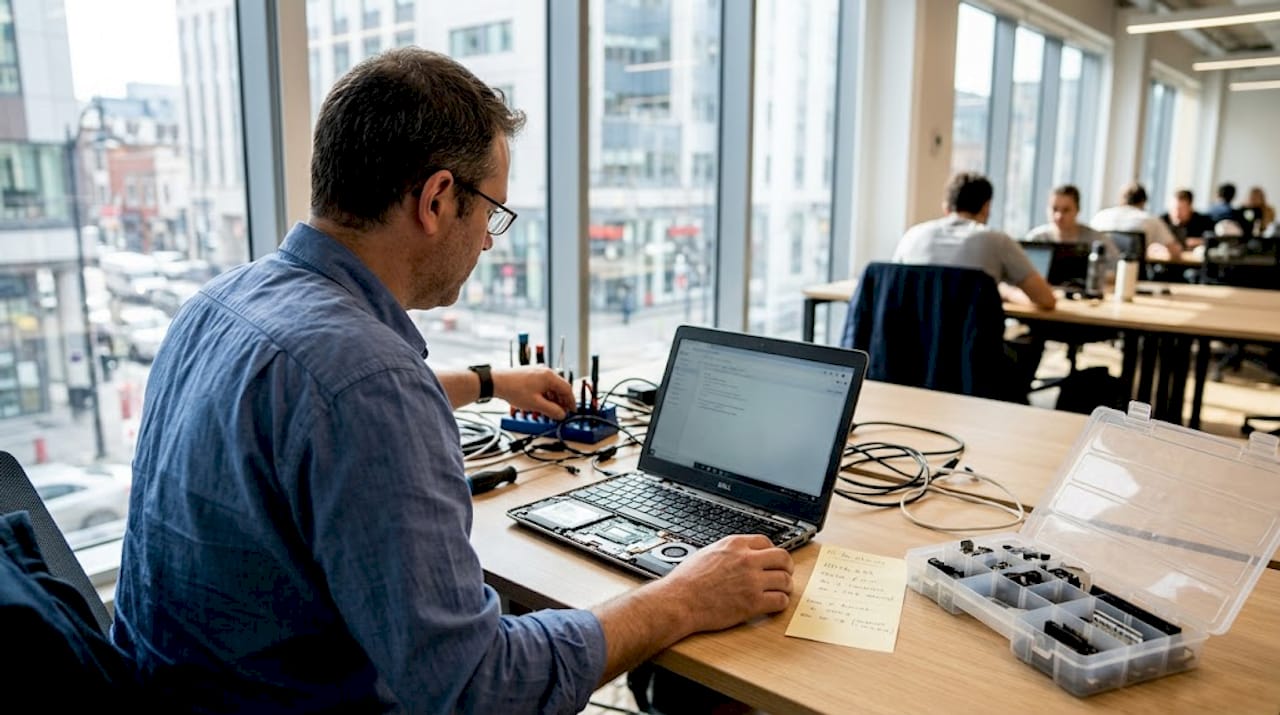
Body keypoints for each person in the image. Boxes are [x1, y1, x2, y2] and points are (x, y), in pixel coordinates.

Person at [112, 48, 794, 713]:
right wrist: (682, 597)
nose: (490, 240)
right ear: (438, 198)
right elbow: (477, 687)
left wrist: (490, 380)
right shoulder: (369, 384)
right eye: (492, 212)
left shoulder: (219, 305)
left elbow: (312, 406)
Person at [893, 172, 1056, 310]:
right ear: (986, 207)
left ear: (947, 207)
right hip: (970, 345)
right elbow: (1046, 300)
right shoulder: (997, 241)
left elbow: (894, 292)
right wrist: (1005, 291)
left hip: (910, 345)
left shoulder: (912, 236)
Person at [1025, 184, 1118, 272]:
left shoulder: (1097, 240)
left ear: (1077, 210)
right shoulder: (1035, 239)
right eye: (1054, 209)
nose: (1059, 216)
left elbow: (1115, 270)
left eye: (1066, 210)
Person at [1089, 182, 1182, 260]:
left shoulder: (1101, 216)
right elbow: (1175, 252)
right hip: (1133, 274)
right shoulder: (1150, 219)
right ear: (1143, 202)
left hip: (1102, 272)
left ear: (1121, 199)